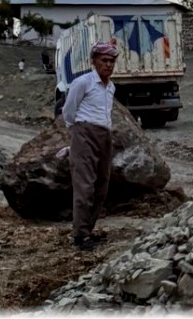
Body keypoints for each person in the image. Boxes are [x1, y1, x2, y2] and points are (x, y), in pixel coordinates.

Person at [61, 41, 117, 251]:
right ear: (94, 61)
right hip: (84, 133)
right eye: (104, 60)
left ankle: (88, 230)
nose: (108, 65)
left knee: (101, 185)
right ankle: (80, 235)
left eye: (112, 61)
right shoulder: (83, 82)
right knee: (84, 185)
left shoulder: (110, 87)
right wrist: (76, 131)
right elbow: (69, 109)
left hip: (104, 135)